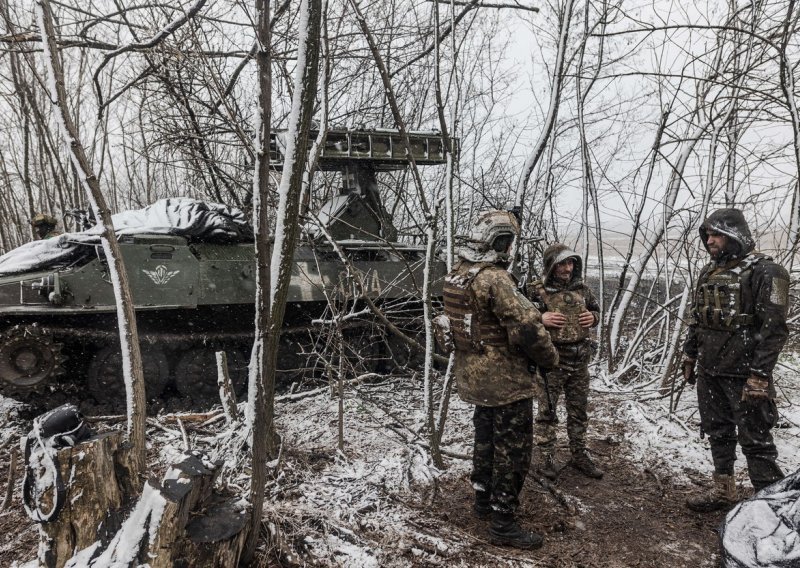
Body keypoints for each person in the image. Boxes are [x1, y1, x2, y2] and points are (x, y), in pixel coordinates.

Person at [442, 209, 558, 550]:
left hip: (475, 378)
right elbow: (526, 327)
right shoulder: (495, 278)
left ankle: (482, 500)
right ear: (501, 242)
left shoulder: (458, 273)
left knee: (485, 439)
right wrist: (550, 359)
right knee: (513, 450)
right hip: (505, 382)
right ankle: (503, 521)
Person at [683, 208, 789, 512]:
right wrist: (690, 353)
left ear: (734, 234)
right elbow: (698, 316)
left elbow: (774, 330)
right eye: (708, 235)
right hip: (710, 369)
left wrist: (759, 375)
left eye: (716, 234)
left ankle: (772, 506)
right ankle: (724, 491)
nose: (710, 241)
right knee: (718, 432)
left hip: (745, 374)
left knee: (756, 441)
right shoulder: (708, 272)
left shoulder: (768, 272)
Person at [526, 244, 603, 480]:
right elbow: (519, 321)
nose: (567, 268)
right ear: (551, 265)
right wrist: (540, 317)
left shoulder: (583, 290)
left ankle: (579, 454)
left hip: (580, 361)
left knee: (578, 411)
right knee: (547, 413)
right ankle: (547, 458)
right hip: (551, 362)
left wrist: (594, 317)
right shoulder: (535, 292)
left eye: (570, 263)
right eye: (561, 263)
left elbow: (596, 312)